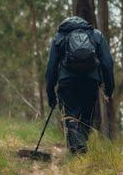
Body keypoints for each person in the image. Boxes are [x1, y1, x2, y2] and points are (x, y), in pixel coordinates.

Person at [45, 16, 114, 154]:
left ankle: (77, 152)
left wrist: (50, 93)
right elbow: (107, 63)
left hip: (67, 82)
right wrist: (109, 88)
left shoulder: (59, 37)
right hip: (90, 82)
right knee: (86, 118)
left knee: (71, 117)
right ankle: (80, 152)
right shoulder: (96, 35)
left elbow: (51, 67)